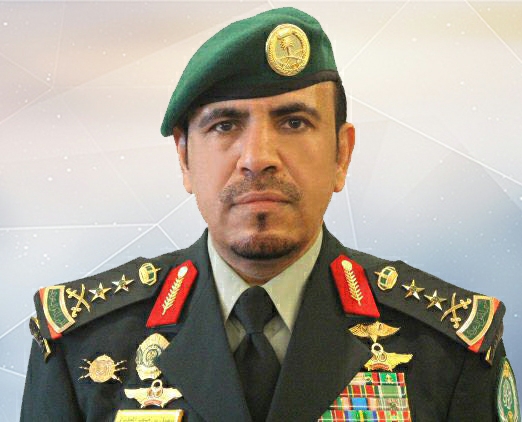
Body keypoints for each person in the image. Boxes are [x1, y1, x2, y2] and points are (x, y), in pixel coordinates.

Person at [21, 7, 519, 422]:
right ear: (184, 159)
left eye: (294, 122)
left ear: (342, 154)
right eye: (224, 125)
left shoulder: (447, 350)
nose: (257, 158)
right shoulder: (83, 347)